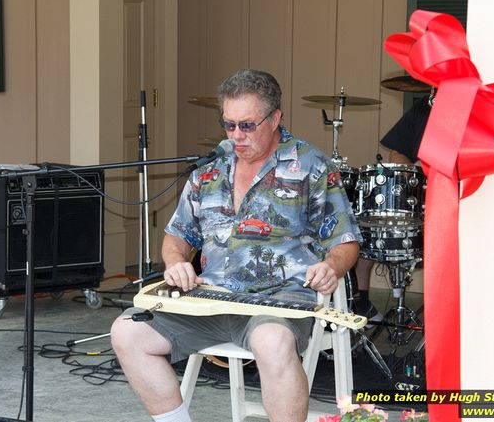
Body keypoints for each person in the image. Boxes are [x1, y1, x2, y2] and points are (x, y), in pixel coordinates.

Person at [111, 69, 362, 422]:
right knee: (127, 331)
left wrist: (331, 267)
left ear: (275, 118)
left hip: (277, 302)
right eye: (228, 125)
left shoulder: (311, 166)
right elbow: (178, 235)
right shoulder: (209, 169)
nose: (236, 136)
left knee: (272, 343)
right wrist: (175, 261)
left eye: (247, 125)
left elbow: (345, 241)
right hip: (210, 299)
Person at [353, 93, 432, 321]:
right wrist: (420, 178)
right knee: (366, 228)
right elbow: (396, 154)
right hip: (422, 197)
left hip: (461, 203)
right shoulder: (424, 106)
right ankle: (362, 305)